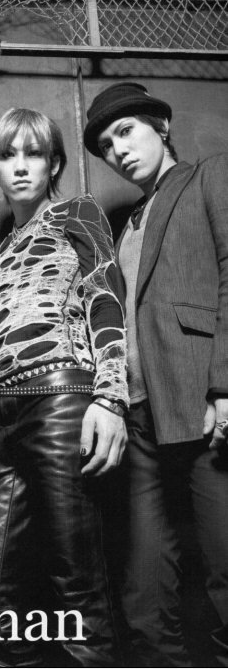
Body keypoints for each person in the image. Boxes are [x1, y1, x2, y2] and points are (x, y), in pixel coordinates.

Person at [0, 107, 129, 667]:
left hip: (60, 399)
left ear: (53, 163)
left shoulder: (76, 211)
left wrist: (110, 397)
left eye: (33, 153)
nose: (20, 166)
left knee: (75, 585)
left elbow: (105, 295)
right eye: (7, 154)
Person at [83, 81, 228, 667]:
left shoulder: (209, 176)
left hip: (201, 405)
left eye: (126, 131)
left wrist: (225, 386)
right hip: (142, 422)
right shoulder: (124, 227)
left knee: (224, 581)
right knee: (144, 600)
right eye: (105, 145)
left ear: (161, 127)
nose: (117, 150)